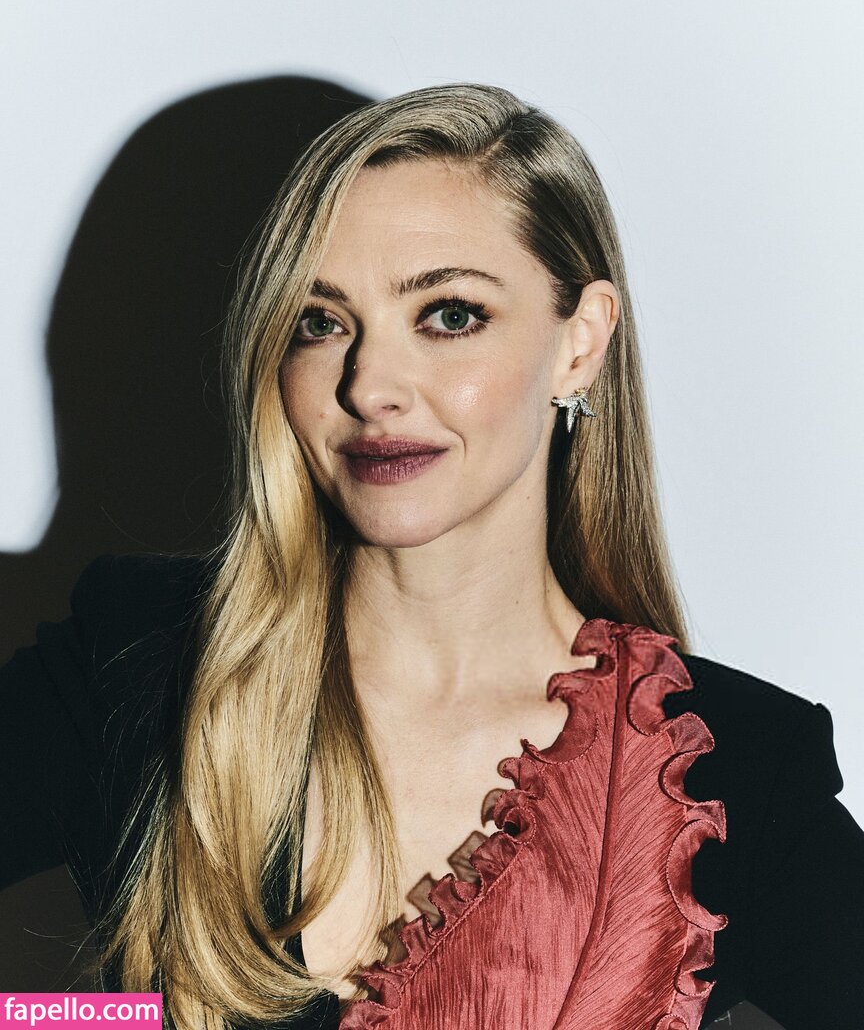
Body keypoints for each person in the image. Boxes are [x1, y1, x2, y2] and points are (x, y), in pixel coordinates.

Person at [1, 83, 862, 1030]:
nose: (370, 387)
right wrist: (66, 1021)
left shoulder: (732, 769)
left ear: (580, 344)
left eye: (449, 316)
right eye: (321, 322)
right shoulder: (143, 663)